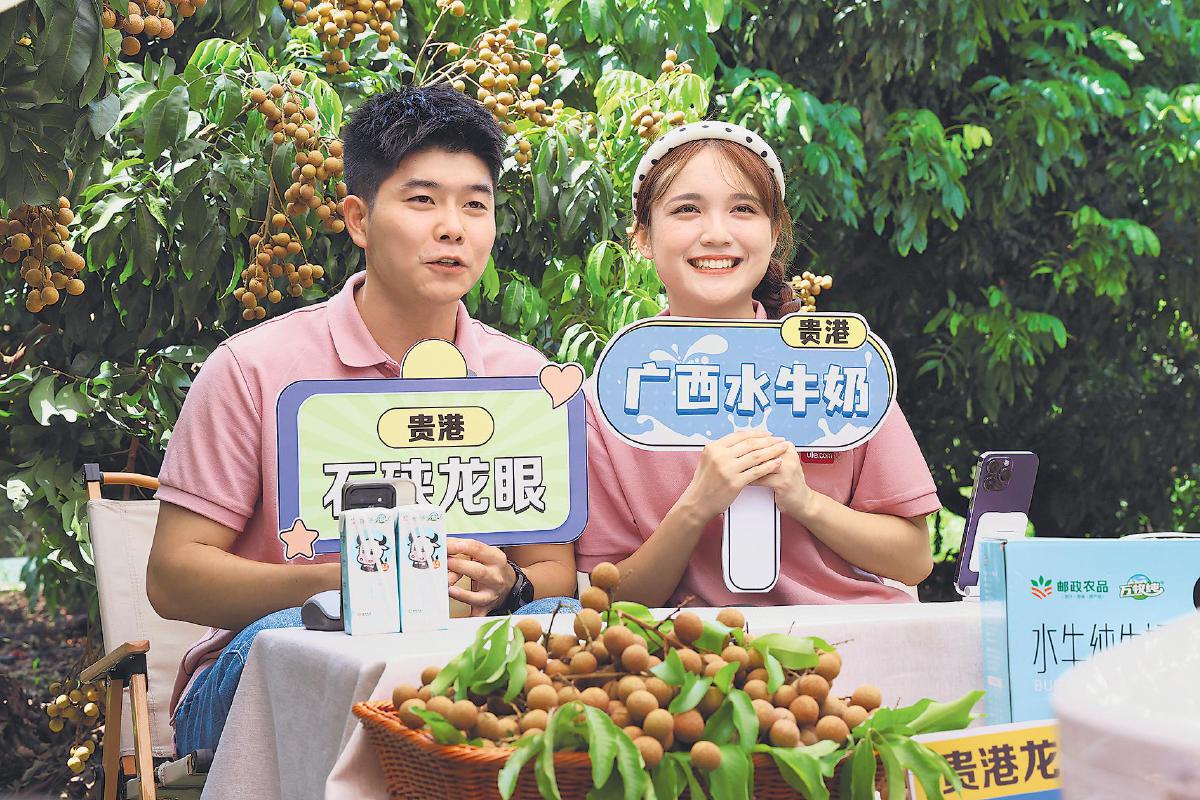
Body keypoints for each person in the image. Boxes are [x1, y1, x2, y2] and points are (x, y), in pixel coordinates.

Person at [147, 85, 578, 754]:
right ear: (357, 219)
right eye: (422, 200)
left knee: (560, 621)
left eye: (475, 204)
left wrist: (509, 585)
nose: (453, 228)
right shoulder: (253, 368)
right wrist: (350, 582)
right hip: (270, 667)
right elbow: (173, 578)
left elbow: (554, 572)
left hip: (461, 665)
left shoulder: (526, 380)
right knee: (300, 634)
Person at [575, 122, 940, 607]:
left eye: (743, 209)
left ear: (774, 234)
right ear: (642, 237)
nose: (716, 234)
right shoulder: (608, 400)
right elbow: (609, 599)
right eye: (687, 210)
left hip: (850, 637)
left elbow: (914, 559)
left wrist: (805, 502)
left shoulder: (840, 369)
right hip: (689, 649)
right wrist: (696, 506)